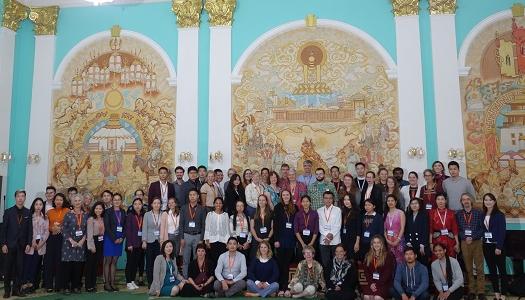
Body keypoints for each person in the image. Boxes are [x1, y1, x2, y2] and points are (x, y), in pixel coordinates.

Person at [456, 193, 485, 300]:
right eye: (464, 200)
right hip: (464, 242)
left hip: (476, 242)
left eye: (468, 199)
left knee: (479, 267)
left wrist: (473, 237)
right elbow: (458, 229)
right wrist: (464, 237)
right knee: (468, 268)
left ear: (471, 201)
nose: (466, 201)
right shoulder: (458, 214)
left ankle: (481, 291)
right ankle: (472, 291)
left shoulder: (478, 213)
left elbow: (482, 229)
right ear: (461, 202)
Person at [61, 194, 88, 294]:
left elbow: (87, 230)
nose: (77, 202)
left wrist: (81, 241)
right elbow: (63, 228)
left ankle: (76, 286)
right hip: (68, 244)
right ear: (72, 202)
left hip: (80, 245)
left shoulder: (86, 215)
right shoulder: (68, 214)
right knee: (68, 267)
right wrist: (71, 241)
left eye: (79, 200)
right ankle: (66, 287)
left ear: (82, 202)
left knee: (78, 267)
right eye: (75, 201)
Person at [482, 193, 508, 300]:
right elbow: (483, 229)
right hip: (486, 246)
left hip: (497, 246)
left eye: (490, 200)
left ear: (494, 201)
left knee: (502, 271)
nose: (488, 202)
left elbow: (502, 232)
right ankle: (496, 293)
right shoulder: (482, 214)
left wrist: (499, 247)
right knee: (492, 271)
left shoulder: (499, 215)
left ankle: (503, 294)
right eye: (486, 200)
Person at [21, 198, 48, 294]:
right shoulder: (29, 216)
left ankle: (31, 286)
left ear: (42, 206)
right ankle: (24, 285)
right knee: (27, 266)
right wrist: (32, 242)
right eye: (36, 204)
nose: (38, 206)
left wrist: (40, 243)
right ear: (33, 205)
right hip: (30, 244)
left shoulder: (45, 218)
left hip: (40, 246)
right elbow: (28, 231)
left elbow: (46, 232)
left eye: (40, 204)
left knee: (34, 267)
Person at [43, 193, 69, 292]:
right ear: (54, 201)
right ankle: (49, 285)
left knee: (60, 262)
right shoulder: (49, 212)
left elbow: (69, 224)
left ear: (63, 201)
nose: (58, 201)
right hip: (51, 238)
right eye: (57, 199)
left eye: (61, 200)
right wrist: (52, 228)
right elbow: (46, 225)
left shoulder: (67, 211)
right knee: (49, 262)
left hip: (63, 238)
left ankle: (59, 285)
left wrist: (60, 228)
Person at [272, 190, 296, 296]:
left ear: (290, 196)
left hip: (290, 240)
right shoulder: (277, 207)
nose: (286, 196)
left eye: (287, 195)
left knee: (286, 264)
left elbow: (296, 223)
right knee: (280, 264)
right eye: (283, 195)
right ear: (281, 196)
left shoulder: (295, 207)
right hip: (280, 240)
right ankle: (280, 287)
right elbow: (275, 225)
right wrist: (276, 240)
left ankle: (285, 287)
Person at [179, 188, 207, 278]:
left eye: (194, 194)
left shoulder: (202, 209)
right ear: (188, 196)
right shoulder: (184, 208)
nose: (192, 196)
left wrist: (201, 239)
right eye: (190, 195)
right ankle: (186, 278)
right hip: (186, 236)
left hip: (198, 236)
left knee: (197, 259)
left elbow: (204, 225)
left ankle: (196, 277)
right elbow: (181, 224)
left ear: (198, 196)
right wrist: (182, 238)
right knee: (186, 259)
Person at [103, 193, 126, 292]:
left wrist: (122, 237)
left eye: (118, 199)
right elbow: (107, 227)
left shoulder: (123, 211)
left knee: (115, 261)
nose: (117, 201)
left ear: (121, 201)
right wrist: (114, 239)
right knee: (108, 261)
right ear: (112, 201)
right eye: (115, 199)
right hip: (109, 238)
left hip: (120, 238)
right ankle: (106, 283)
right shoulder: (107, 212)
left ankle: (112, 282)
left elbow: (125, 226)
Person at [362, 235, 395, 300]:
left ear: (382, 244)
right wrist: (371, 283)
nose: (376, 244)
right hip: (371, 283)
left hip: (384, 284)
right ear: (372, 244)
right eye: (374, 242)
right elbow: (366, 272)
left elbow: (387, 274)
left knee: (377, 297)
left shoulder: (388, 256)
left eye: (378, 242)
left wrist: (377, 284)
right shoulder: (368, 255)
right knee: (366, 296)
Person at [318, 191, 341, 280]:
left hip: (335, 240)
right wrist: (327, 236)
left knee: (337, 263)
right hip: (324, 241)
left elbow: (338, 224)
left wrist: (331, 235)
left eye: (330, 198)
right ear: (323, 199)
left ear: (333, 199)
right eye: (326, 198)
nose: (328, 200)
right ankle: (327, 283)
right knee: (325, 263)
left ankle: (337, 282)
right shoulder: (319, 210)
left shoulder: (337, 210)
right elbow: (319, 225)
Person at [429, 193, 459, 258]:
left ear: (446, 200)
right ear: (435, 201)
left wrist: (457, 243)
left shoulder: (451, 212)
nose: (440, 201)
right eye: (438, 199)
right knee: (437, 259)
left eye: (442, 199)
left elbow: (455, 228)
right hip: (437, 240)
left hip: (450, 240)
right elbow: (430, 229)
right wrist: (430, 243)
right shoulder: (432, 213)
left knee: (450, 260)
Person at [124, 198, 145, 291]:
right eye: (135, 204)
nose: (137, 206)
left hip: (139, 244)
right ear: (132, 206)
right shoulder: (130, 216)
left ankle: (132, 280)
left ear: (142, 205)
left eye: (139, 204)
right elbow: (128, 231)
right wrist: (129, 244)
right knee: (130, 264)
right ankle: (128, 281)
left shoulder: (143, 216)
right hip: (131, 244)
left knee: (135, 264)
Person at [142, 197, 162, 288]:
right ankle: (150, 282)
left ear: (160, 204)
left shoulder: (163, 214)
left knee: (158, 263)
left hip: (159, 242)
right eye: (155, 203)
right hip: (149, 241)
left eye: (158, 203)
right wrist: (144, 241)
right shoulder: (147, 214)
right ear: (152, 205)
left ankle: (157, 282)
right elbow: (144, 228)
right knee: (149, 263)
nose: (156, 205)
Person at [85, 201, 105, 292]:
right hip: (92, 242)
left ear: (103, 210)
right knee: (90, 265)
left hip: (100, 242)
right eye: (96, 208)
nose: (98, 210)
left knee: (96, 265)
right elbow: (89, 234)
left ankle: (93, 284)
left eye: (100, 208)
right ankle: (88, 285)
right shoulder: (91, 219)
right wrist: (91, 246)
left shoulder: (103, 218)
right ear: (94, 209)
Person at [204, 197, 230, 263]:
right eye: (216, 203)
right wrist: (207, 241)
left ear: (222, 204)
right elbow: (207, 228)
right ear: (214, 204)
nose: (218, 205)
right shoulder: (210, 214)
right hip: (212, 241)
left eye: (220, 203)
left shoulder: (226, 215)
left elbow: (227, 229)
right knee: (213, 260)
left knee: (222, 261)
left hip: (223, 241)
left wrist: (227, 242)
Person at [404, 198, 430, 265]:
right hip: (411, 244)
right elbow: (406, 230)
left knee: (423, 263)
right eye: (412, 204)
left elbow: (425, 230)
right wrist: (408, 242)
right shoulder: (408, 215)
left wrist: (422, 244)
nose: (414, 205)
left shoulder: (424, 215)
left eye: (416, 203)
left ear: (419, 205)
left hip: (421, 245)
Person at [250, 194, 273, 259]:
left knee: (267, 258)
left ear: (266, 202)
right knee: (255, 258)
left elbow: (273, 227)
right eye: (259, 200)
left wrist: (268, 237)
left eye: (263, 200)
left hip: (268, 239)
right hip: (257, 240)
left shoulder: (271, 212)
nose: (261, 202)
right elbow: (252, 227)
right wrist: (256, 238)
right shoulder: (254, 212)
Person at [384, 194, 405, 263]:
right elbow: (384, 229)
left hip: (399, 240)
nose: (390, 202)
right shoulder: (385, 214)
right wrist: (386, 239)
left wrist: (398, 240)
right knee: (390, 261)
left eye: (392, 201)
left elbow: (402, 228)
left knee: (400, 260)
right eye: (388, 201)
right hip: (389, 241)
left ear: (395, 202)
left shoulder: (400, 212)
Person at [340, 194, 360, 260]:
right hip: (344, 239)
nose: (346, 201)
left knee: (352, 260)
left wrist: (357, 242)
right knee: (345, 258)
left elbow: (358, 228)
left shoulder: (357, 212)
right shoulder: (343, 211)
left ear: (352, 200)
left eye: (348, 199)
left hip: (353, 240)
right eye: (345, 199)